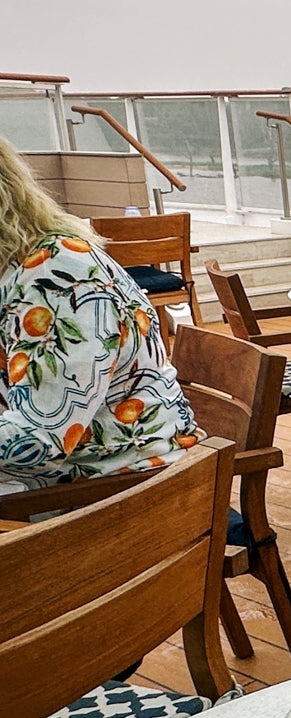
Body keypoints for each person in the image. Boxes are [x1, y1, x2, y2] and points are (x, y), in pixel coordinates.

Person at [0, 135, 201, 494]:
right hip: (71, 469)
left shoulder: (55, 276)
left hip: (124, 484)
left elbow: (43, 432)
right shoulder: (18, 269)